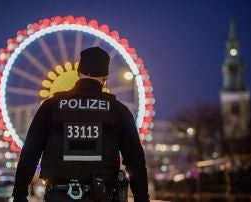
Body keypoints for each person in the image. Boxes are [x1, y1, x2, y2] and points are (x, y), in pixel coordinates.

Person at [12, 47, 149, 202]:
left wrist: (19, 195)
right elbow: (135, 160)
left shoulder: (50, 107)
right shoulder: (118, 111)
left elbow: (30, 153)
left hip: (58, 196)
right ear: (106, 78)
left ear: (78, 73)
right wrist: (142, 198)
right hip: (102, 195)